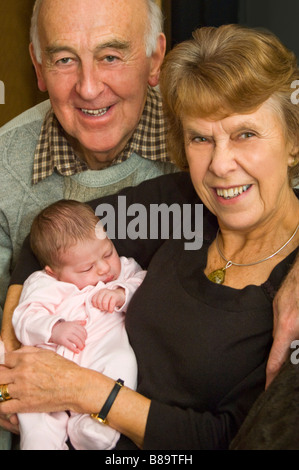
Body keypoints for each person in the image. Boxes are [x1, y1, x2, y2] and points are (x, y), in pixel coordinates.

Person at [2, 24, 299, 450]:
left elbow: (233, 439)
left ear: (293, 140)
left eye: (244, 134)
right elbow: (55, 238)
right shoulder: (179, 208)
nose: (220, 164)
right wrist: (11, 349)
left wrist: (85, 391)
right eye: (200, 138)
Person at [0, 0, 173, 447]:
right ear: (39, 68)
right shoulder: (4, 165)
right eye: (63, 60)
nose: (90, 88)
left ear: (155, 59)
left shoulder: (204, 141)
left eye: (111, 56)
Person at [12, 199, 145, 450]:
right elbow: (25, 318)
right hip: (48, 362)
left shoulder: (124, 270)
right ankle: (40, 442)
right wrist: (54, 327)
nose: (105, 267)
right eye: (87, 268)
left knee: (123, 364)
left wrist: (120, 292)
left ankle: (94, 425)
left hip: (103, 349)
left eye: (108, 253)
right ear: (53, 271)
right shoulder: (42, 283)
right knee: (34, 411)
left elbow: (145, 282)